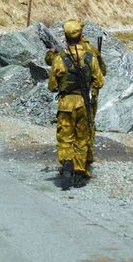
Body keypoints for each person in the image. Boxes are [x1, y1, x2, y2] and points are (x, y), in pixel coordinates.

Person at [48, 20, 104, 190]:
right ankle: (80, 172)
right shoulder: (90, 57)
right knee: (82, 139)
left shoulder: (59, 58)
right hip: (84, 104)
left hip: (65, 104)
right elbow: (100, 81)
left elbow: (52, 86)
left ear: (65, 37)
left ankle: (66, 165)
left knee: (65, 138)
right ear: (80, 36)